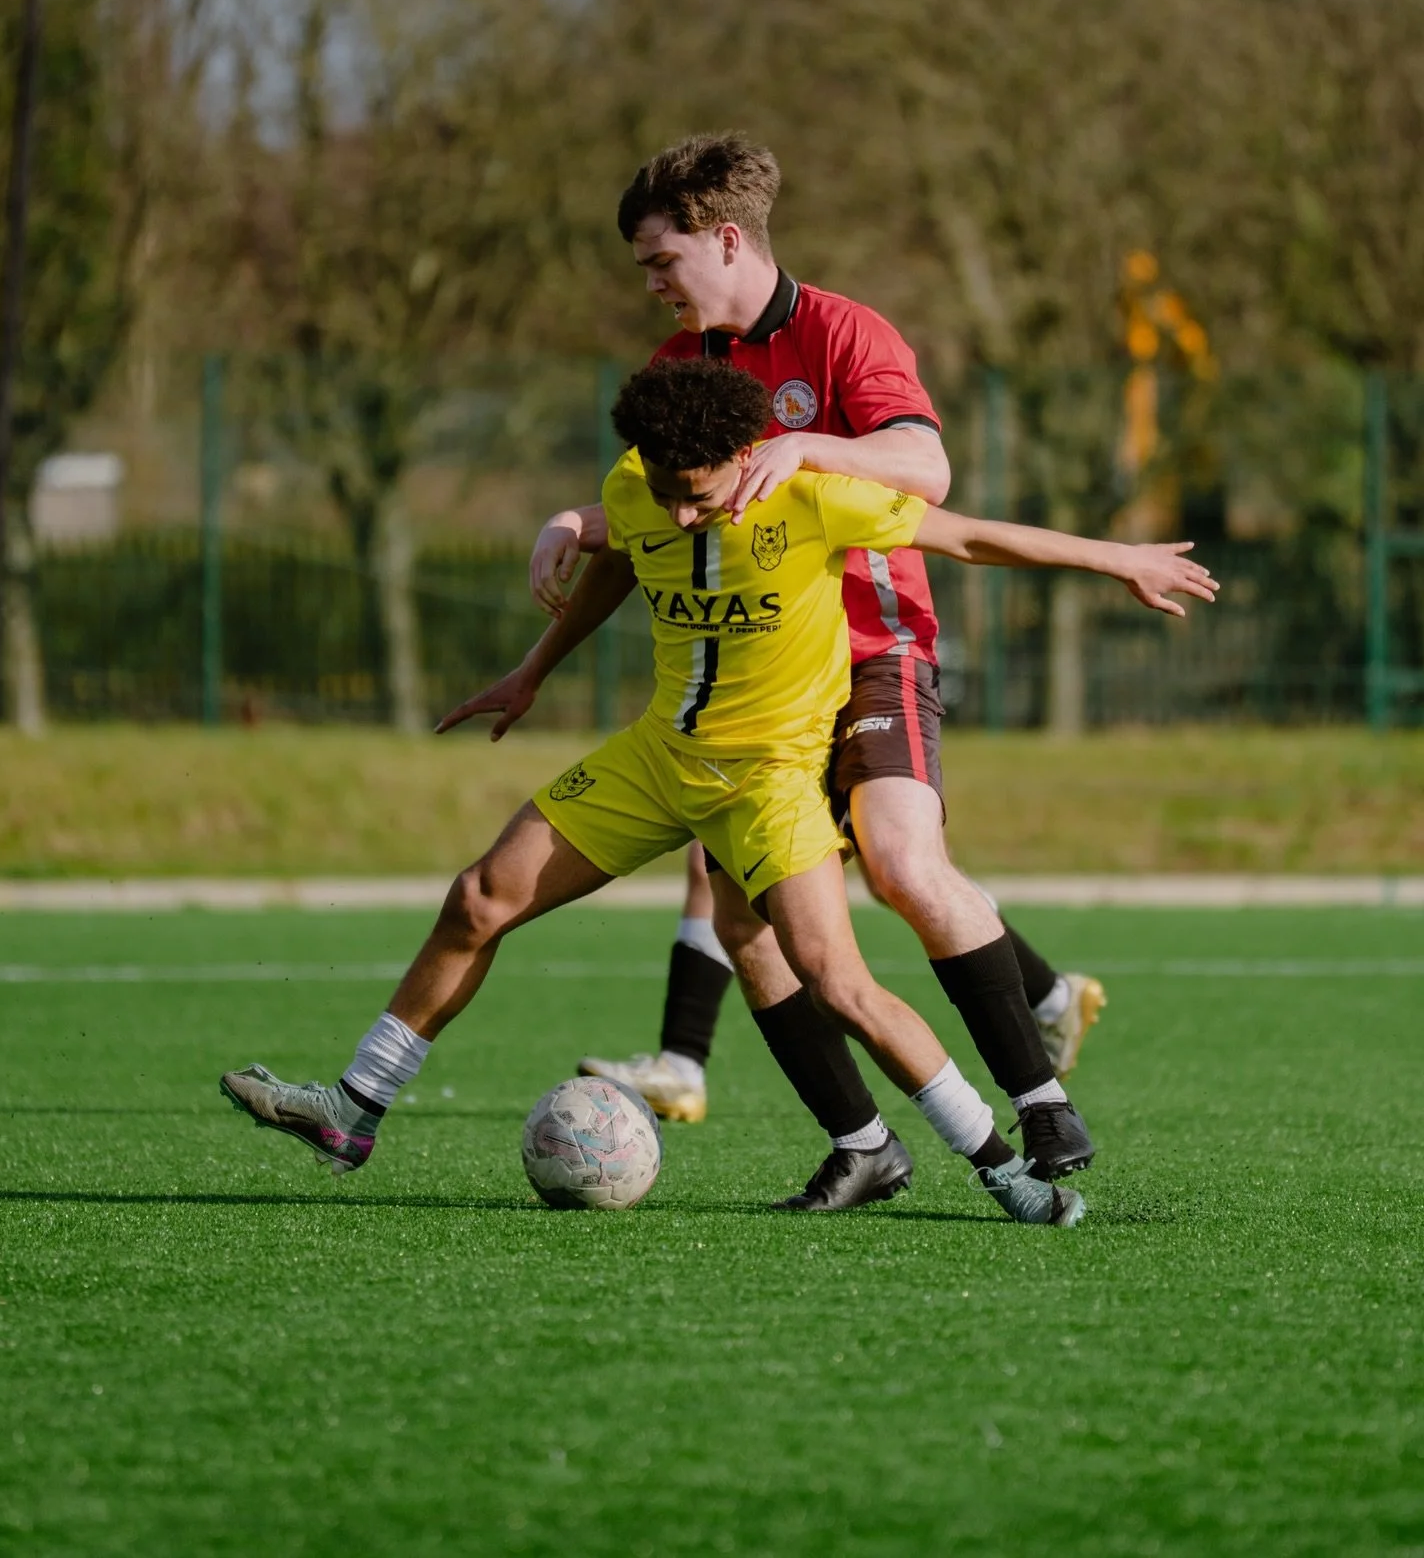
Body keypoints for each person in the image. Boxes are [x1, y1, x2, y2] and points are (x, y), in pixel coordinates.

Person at [220, 362, 1213, 1225]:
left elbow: (968, 538)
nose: (684, 512)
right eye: (667, 490)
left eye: (701, 494)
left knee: (841, 982)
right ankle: (354, 1109)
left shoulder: (817, 495)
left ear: (749, 453)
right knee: (478, 898)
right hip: (658, 757)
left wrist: (1115, 556)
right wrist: (560, 547)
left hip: (769, 783)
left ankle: (1007, 1175)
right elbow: (617, 536)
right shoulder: (640, 481)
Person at [526, 135, 1101, 1206]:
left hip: (871, 647)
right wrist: (574, 525)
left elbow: (928, 470)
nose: (650, 285)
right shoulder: (677, 366)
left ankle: (1039, 1099)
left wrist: (811, 448)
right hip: (757, 675)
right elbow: (653, 510)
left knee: (896, 859)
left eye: (661, 261)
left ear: (727, 239)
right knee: (742, 921)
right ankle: (864, 1140)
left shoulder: (844, 333)